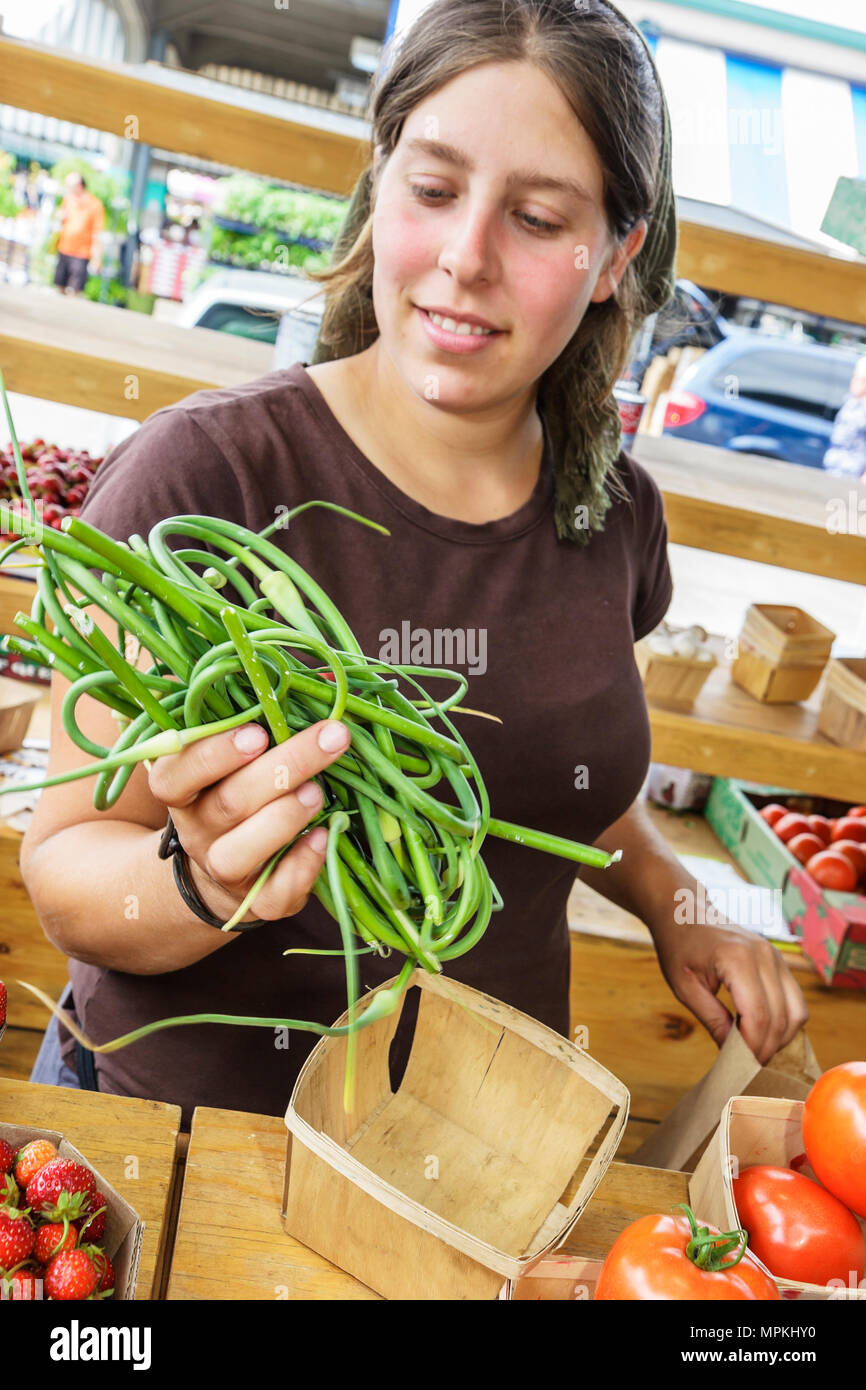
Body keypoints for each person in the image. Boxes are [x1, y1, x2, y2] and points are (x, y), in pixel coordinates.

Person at [24, 0, 807, 1128]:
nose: (463, 258)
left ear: (612, 259)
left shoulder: (615, 511)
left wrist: (677, 894)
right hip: (199, 1149)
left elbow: (553, 779)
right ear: (379, 181)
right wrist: (201, 882)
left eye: (537, 219)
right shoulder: (203, 478)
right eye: (432, 190)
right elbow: (67, 865)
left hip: (481, 1150)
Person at [53, 171, 104, 296]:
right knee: (60, 286)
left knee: (75, 289)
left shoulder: (95, 205)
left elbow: (97, 232)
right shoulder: (68, 199)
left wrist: (96, 257)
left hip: (81, 253)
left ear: (80, 186)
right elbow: (61, 218)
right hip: (64, 248)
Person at [822, 356, 866, 478]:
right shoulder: (851, 402)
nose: (855, 383)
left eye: (862, 380)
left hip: (854, 473)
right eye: (855, 377)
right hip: (835, 468)